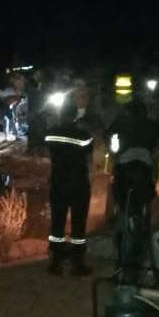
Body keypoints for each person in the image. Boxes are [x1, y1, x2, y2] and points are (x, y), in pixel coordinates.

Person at [105, 99, 159, 281]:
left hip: (123, 171)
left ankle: (121, 263)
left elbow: (106, 135)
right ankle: (140, 258)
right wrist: (158, 150)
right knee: (142, 213)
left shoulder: (121, 122)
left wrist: (114, 151)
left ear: (128, 111)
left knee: (123, 212)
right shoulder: (151, 124)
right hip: (144, 172)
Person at [44, 101, 95, 276]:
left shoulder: (51, 134)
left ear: (60, 114)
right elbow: (89, 151)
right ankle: (77, 264)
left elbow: (47, 146)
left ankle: (56, 262)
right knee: (78, 224)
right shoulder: (83, 135)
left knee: (57, 224)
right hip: (78, 184)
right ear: (75, 115)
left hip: (58, 183)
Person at [0, 73, 23, 141]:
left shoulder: (5, 89)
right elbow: (16, 97)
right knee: (11, 120)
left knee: (6, 121)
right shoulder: (11, 89)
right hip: (7, 106)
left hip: (5, 106)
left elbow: (2, 97)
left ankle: (7, 137)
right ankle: (15, 136)